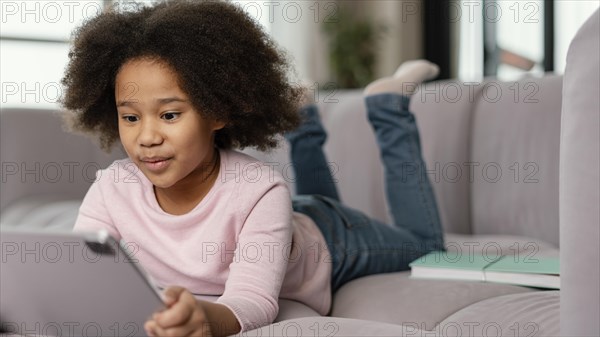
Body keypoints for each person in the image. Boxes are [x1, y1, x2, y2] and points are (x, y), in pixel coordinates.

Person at [61, 1, 444, 336]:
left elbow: (255, 302)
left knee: (427, 246)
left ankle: (388, 107)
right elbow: (81, 275)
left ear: (218, 111)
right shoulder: (112, 188)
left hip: (331, 238)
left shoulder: (259, 190)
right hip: (279, 223)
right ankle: (304, 119)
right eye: (130, 117)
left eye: (170, 114)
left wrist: (203, 319)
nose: (146, 136)